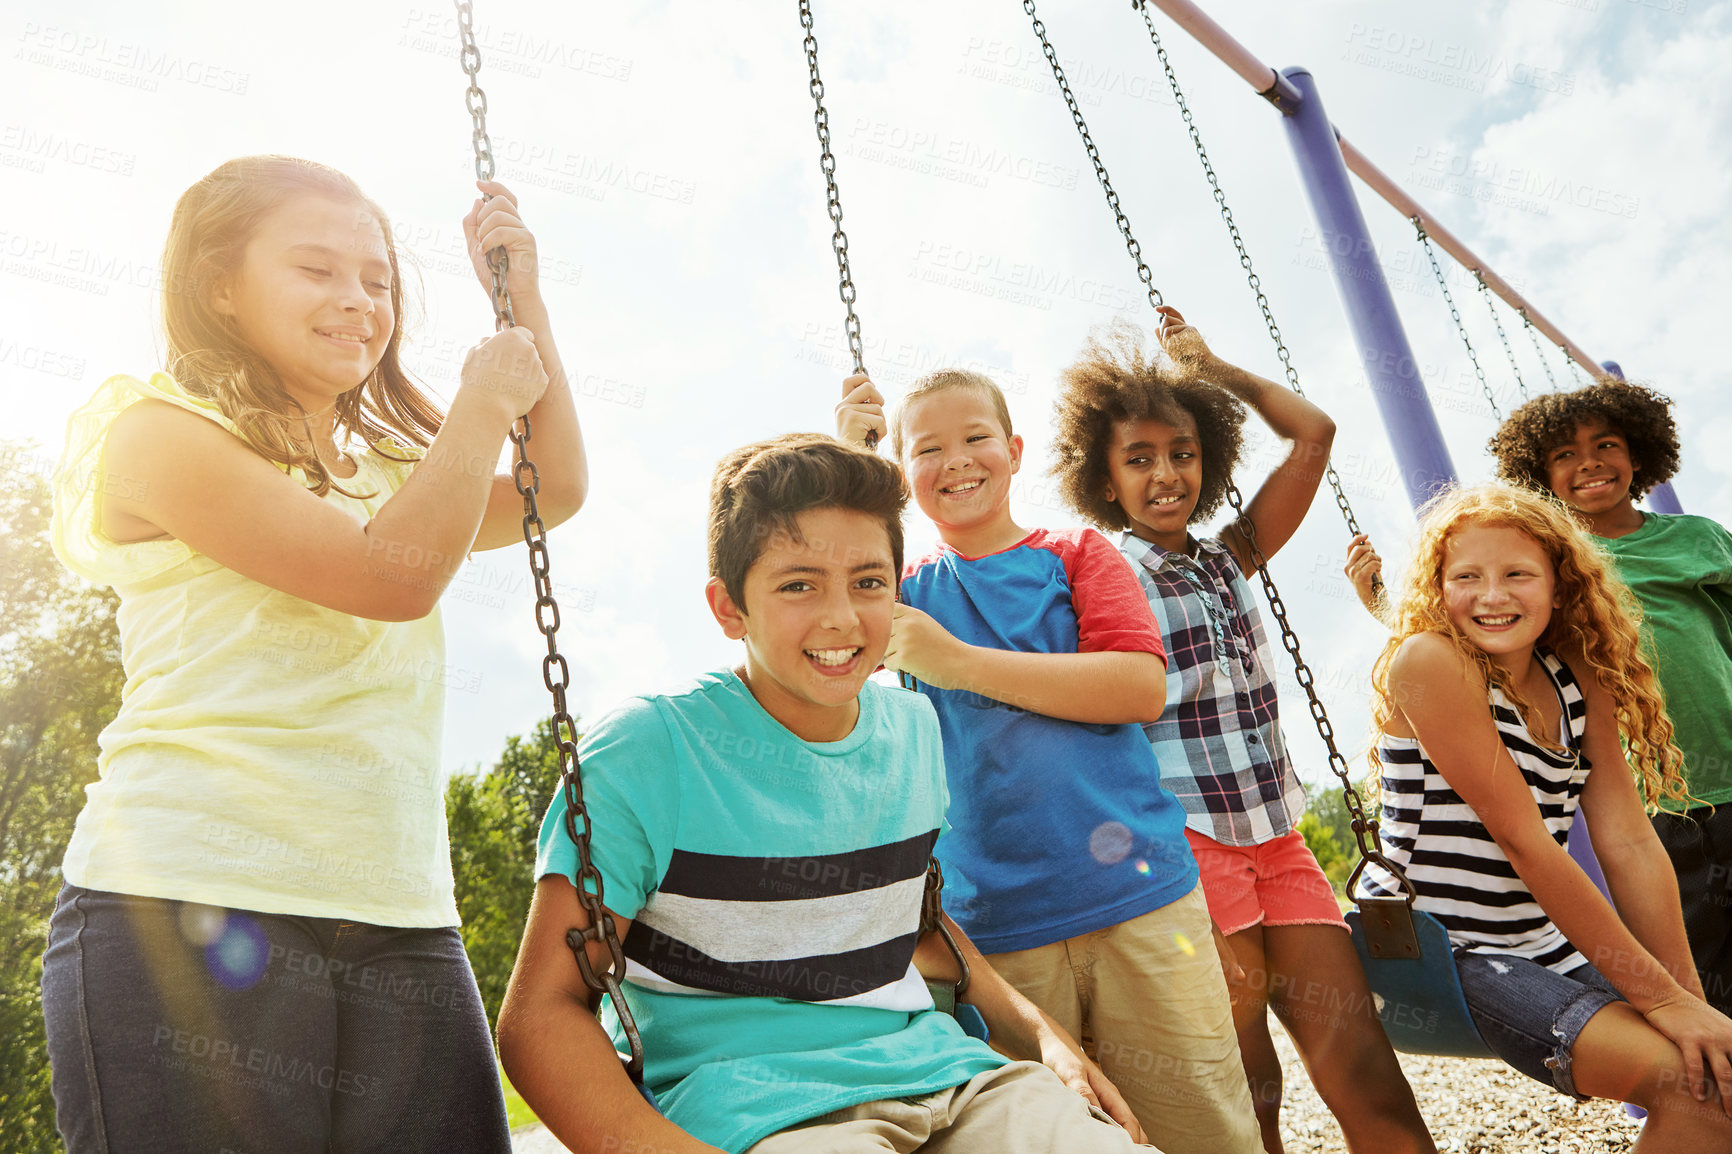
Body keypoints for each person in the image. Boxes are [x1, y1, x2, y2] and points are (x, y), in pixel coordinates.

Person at [41, 155, 577, 1152]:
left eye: (377, 279)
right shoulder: (157, 435)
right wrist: (479, 403)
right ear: (218, 285)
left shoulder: (390, 470)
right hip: (183, 905)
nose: (358, 301)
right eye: (317, 269)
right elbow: (391, 576)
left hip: (397, 913)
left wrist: (522, 296)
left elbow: (558, 486)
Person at [498, 433, 1153, 1154]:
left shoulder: (910, 727)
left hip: (949, 1078)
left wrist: (1043, 1039)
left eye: (869, 582)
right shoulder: (648, 750)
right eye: (798, 584)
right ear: (728, 608)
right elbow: (541, 1016)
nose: (842, 617)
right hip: (759, 1108)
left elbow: (917, 923)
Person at [837, 369, 1264, 1154]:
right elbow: (832, 624)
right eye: (927, 448)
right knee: (1041, 1133)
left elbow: (1136, 686)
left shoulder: (1075, 553)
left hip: (1142, 897)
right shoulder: (900, 590)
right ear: (904, 475)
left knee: (1202, 1122)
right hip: (996, 927)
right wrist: (850, 457)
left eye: (976, 438)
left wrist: (957, 662)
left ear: (1015, 451)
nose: (957, 460)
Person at [1047, 310, 1433, 1154]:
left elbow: (1314, 435)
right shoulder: (1097, 575)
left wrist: (1214, 366)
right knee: (1247, 1086)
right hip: (1185, 844)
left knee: (1365, 1066)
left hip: (1278, 838)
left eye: (1183, 453)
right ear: (1105, 479)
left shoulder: (1229, 556)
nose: (1165, 475)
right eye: (1139, 459)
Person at [1355, 482, 1732, 1149]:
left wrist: (1689, 999)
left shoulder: (1574, 676)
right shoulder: (1430, 660)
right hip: (1439, 946)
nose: (1492, 596)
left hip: (1539, 943)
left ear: (1559, 589)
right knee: (1685, 1083)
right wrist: (1666, 1006)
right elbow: (1525, 841)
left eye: (1517, 575)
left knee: (1717, 1079)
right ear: (1438, 589)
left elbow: (1628, 840)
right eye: (1466, 576)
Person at [1487, 379, 1732, 1017]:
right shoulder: (1553, 568)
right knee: (1702, 977)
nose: (1589, 461)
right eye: (1564, 454)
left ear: (1640, 453)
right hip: (1655, 809)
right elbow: (1486, 632)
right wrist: (1378, 601)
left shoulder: (1697, 539)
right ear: (1539, 475)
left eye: (1607, 444)